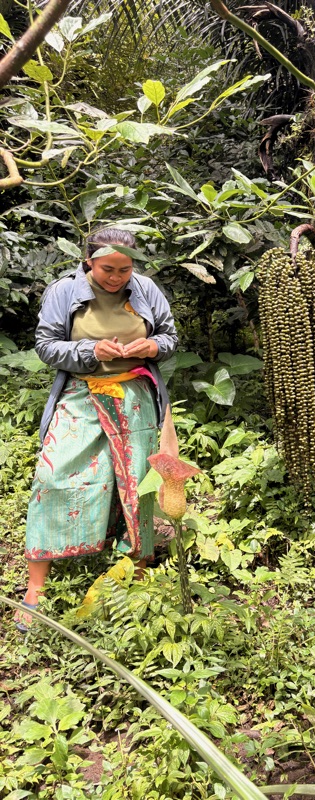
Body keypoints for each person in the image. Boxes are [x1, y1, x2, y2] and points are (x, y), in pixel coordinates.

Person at [15, 227, 178, 631]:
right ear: (88, 261)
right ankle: (36, 587)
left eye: (125, 269)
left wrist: (152, 347)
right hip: (81, 394)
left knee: (135, 480)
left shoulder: (145, 289)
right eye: (108, 269)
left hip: (135, 396)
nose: (117, 277)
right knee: (54, 476)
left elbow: (170, 337)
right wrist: (90, 351)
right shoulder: (62, 292)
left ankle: (140, 565)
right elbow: (46, 345)